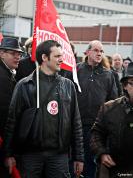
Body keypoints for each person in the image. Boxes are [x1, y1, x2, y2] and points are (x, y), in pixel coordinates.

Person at [4, 40, 84, 178]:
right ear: (44, 58)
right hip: (30, 156)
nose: (61, 59)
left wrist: (79, 156)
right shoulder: (24, 85)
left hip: (59, 156)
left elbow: (76, 123)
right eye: (57, 56)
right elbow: (12, 122)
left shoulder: (68, 86)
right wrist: (8, 154)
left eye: (62, 55)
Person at [75, 40, 118, 178]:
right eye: (96, 50)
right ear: (87, 52)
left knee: (91, 163)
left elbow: (113, 102)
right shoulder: (76, 70)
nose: (99, 53)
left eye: (101, 51)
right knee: (73, 161)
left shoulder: (108, 75)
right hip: (76, 125)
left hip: (96, 128)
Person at [90, 62, 133, 178]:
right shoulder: (109, 108)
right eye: (132, 83)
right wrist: (102, 153)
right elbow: (96, 134)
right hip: (115, 167)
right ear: (124, 85)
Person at [0, 37, 22, 177]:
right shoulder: (2, 77)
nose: (18, 57)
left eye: (19, 54)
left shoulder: (7, 73)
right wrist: (7, 152)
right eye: (13, 53)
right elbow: (6, 116)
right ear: (2, 53)